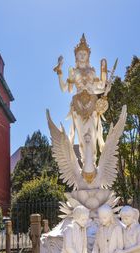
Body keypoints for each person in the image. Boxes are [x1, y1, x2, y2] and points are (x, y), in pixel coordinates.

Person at [54, 34, 108, 164]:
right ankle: (85, 163)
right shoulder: (73, 72)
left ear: (88, 55)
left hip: (92, 103)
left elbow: (100, 86)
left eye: (84, 53)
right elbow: (65, 89)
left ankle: (93, 164)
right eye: (80, 53)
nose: (82, 55)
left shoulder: (92, 71)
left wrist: (103, 71)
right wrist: (60, 71)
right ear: (76, 56)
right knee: (81, 135)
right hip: (78, 104)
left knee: (93, 134)